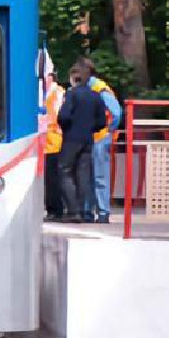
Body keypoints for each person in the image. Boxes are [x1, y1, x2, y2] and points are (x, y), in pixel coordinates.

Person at [57, 64, 106, 223]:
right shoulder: (96, 95)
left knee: (64, 170)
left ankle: (73, 211)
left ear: (74, 78)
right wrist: (89, 129)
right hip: (88, 139)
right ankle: (83, 210)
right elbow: (102, 122)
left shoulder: (72, 94)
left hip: (71, 138)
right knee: (83, 175)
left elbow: (63, 116)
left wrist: (66, 127)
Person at [78, 59, 122, 223]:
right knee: (91, 175)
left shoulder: (100, 89)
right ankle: (90, 211)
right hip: (94, 136)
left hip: (100, 137)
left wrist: (109, 131)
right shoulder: (91, 88)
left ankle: (103, 212)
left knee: (99, 175)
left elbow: (116, 112)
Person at [42, 67, 66, 220]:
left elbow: (57, 115)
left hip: (55, 140)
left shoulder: (57, 93)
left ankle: (55, 210)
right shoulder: (45, 93)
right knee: (49, 178)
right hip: (46, 141)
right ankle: (52, 208)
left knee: (53, 178)